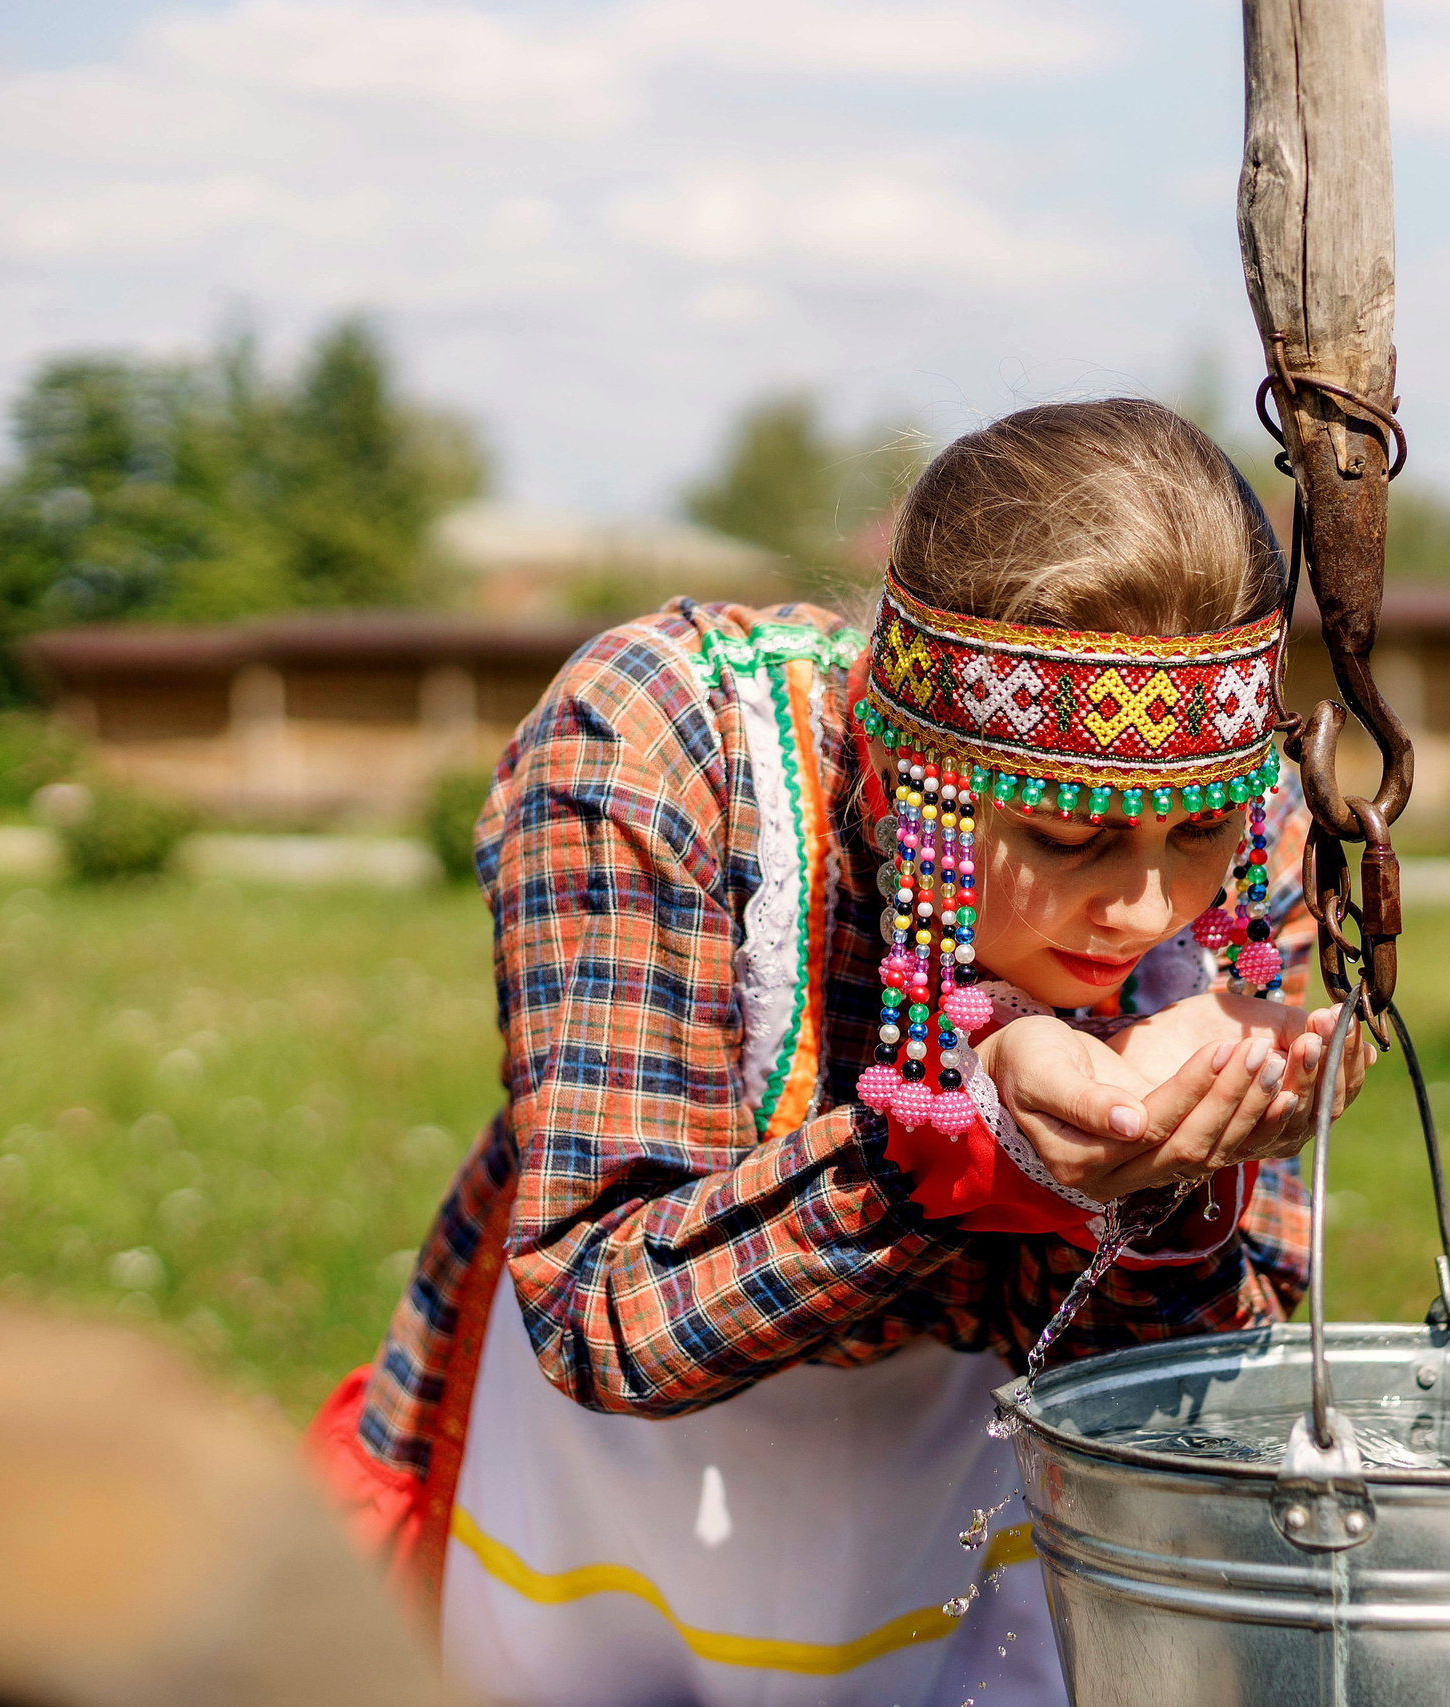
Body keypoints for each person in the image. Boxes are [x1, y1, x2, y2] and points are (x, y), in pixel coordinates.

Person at [303, 398, 1373, 1707]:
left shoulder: (1244, 821)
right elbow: (601, 1311)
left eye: (1193, 834)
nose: (1149, 911)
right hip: (608, 1521)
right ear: (915, 772)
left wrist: (1172, 1198)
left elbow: (1194, 1418)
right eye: (1068, 838)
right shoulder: (665, 754)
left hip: (980, 1504)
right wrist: (970, 1148)